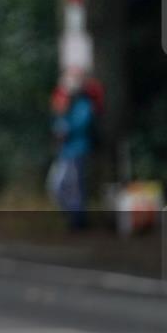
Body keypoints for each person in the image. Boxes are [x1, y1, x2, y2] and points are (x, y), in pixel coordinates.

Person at [49, 67, 102, 230]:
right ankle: (74, 216)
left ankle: (78, 221)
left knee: (75, 187)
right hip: (65, 152)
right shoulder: (65, 104)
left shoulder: (84, 104)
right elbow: (57, 125)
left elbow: (81, 125)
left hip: (78, 150)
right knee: (57, 185)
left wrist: (65, 128)